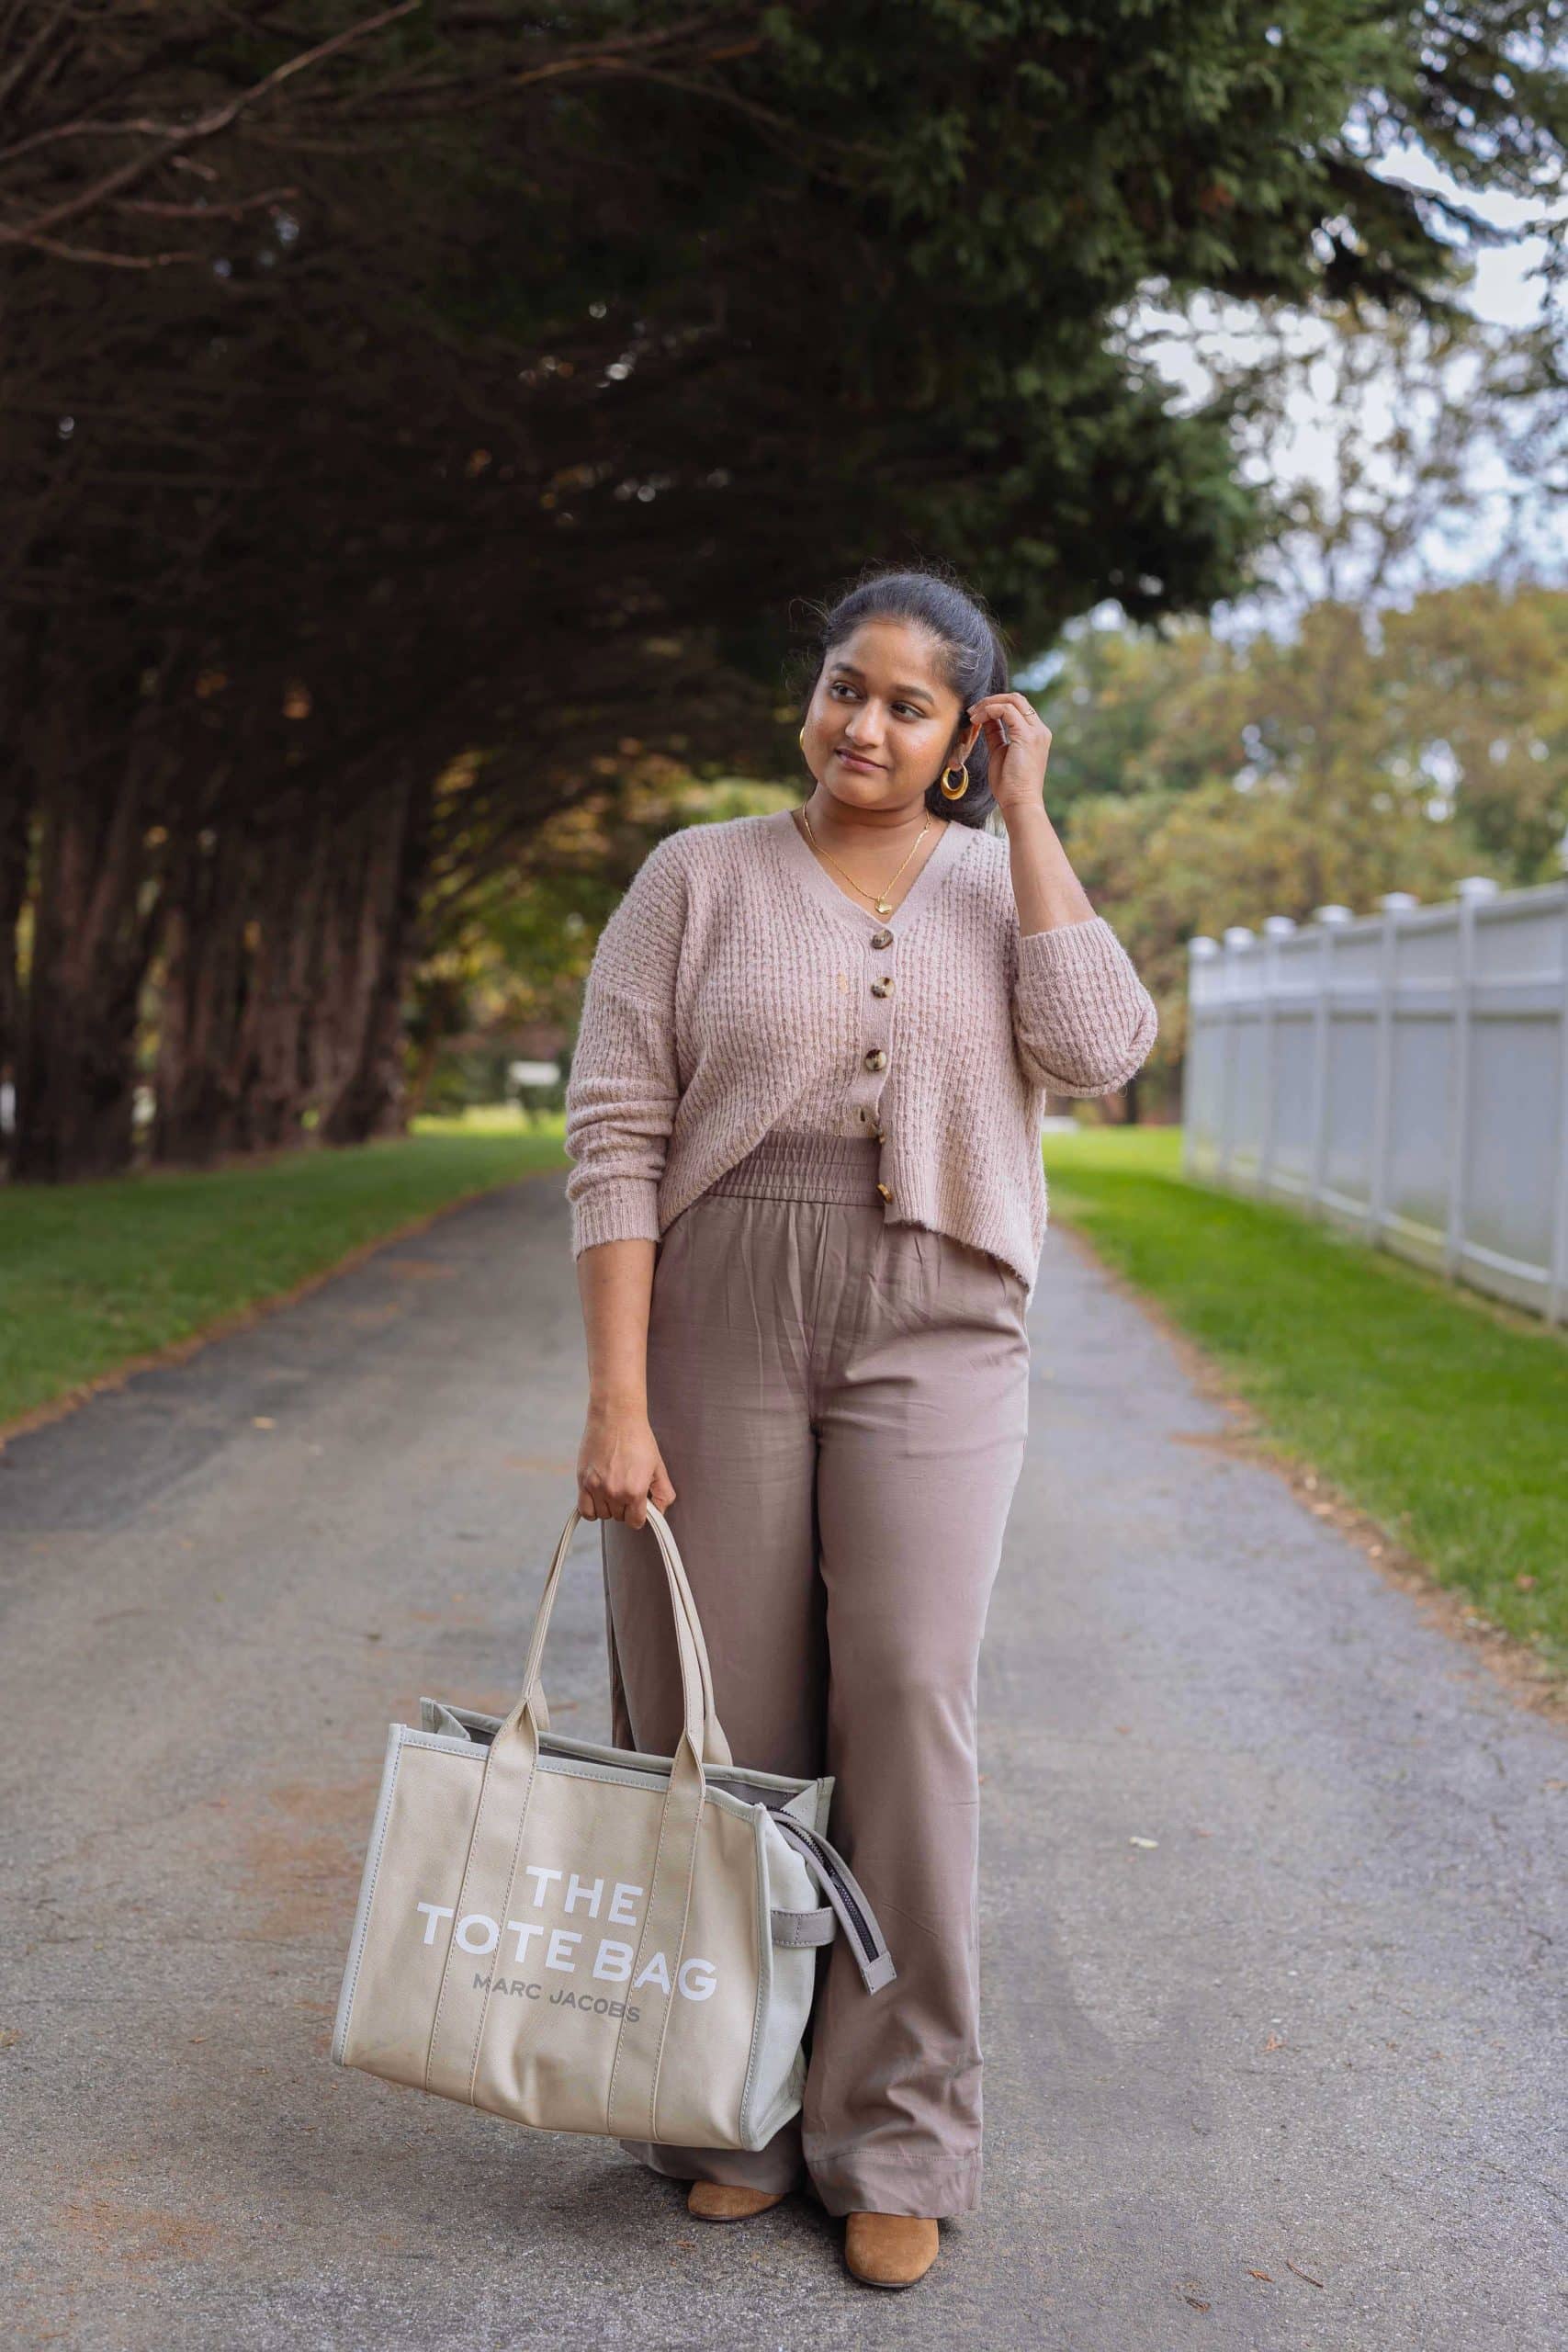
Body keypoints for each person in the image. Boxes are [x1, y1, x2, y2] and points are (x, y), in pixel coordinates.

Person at [563, 564, 1157, 2289]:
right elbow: (613, 1132)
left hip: (940, 1312)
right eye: (845, 687)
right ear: (811, 694)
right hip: (721, 1304)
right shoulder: (696, 879)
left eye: (909, 704)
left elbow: (1103, 1046)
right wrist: (618, 1392)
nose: (863, 727)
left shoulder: (996, 885)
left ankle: (898, 2130)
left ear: (966, 730)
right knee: (721, 1711)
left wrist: (1031, 817)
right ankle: (724, 2102)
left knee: (903, 1694)